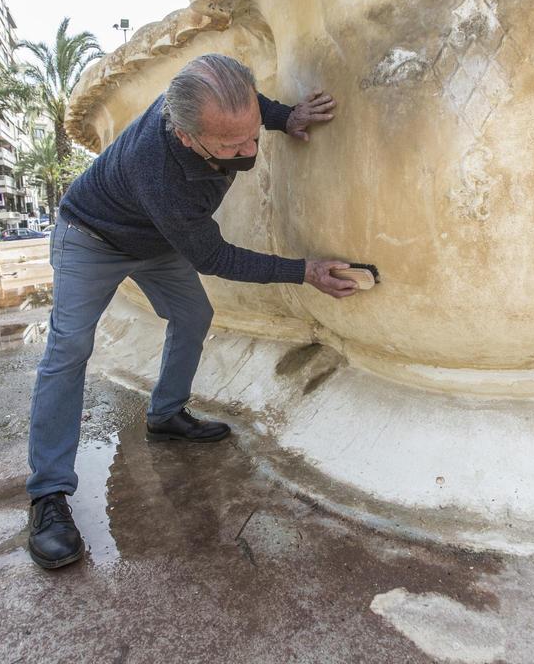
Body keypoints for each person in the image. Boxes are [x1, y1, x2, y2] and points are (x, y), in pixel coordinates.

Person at [25, 53, 359, 568]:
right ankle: (48, 496)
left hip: (155, 237)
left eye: (253, 135)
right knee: (69, 348)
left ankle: (165, 415)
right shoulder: (158, 170)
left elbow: (245, 108)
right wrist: (305, 271)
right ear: (185, 136)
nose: (250, 150)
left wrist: (284, 116)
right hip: (92, 236)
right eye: (232, 145)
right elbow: (213, 256)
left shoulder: (216, 98)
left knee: (194, 316)